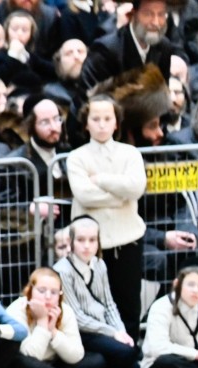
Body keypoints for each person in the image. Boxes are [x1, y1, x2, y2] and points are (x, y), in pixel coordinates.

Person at [67, 94, 148, 339]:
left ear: (116, 123)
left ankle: (130, 351)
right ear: (86, 123)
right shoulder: (77, 157)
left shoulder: (131, 153)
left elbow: (136, 188)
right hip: (90, 244)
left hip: (128, 239)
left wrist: (101, 180)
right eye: (96, 119)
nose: (101, 124)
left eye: (107, 118)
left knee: (128, 301)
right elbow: (84, 194)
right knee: (93, 302)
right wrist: (121, 196)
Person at [52, 215, 145, 368]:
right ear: (71, 242)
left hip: (103, 330)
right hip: (82, 332)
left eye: (92, 240)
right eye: (81, 240)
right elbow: (77, 317)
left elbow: (109, 304)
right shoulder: (63, 271)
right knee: (130, 353)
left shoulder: (100, 264)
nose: (87, 246)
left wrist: (121, 331)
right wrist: (112, 333)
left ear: (98, 242)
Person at [3, 267, 122, 368]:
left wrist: (53, 331)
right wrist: (42, 323)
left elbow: (76, 355)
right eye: (42, 291)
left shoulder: (65, 311)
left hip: (51, 365)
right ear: (30, 291)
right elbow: (31, 355)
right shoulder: (17, 310)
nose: (48, 297)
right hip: (26, 365)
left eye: (54, 292)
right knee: (23, 363)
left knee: (97, 360)